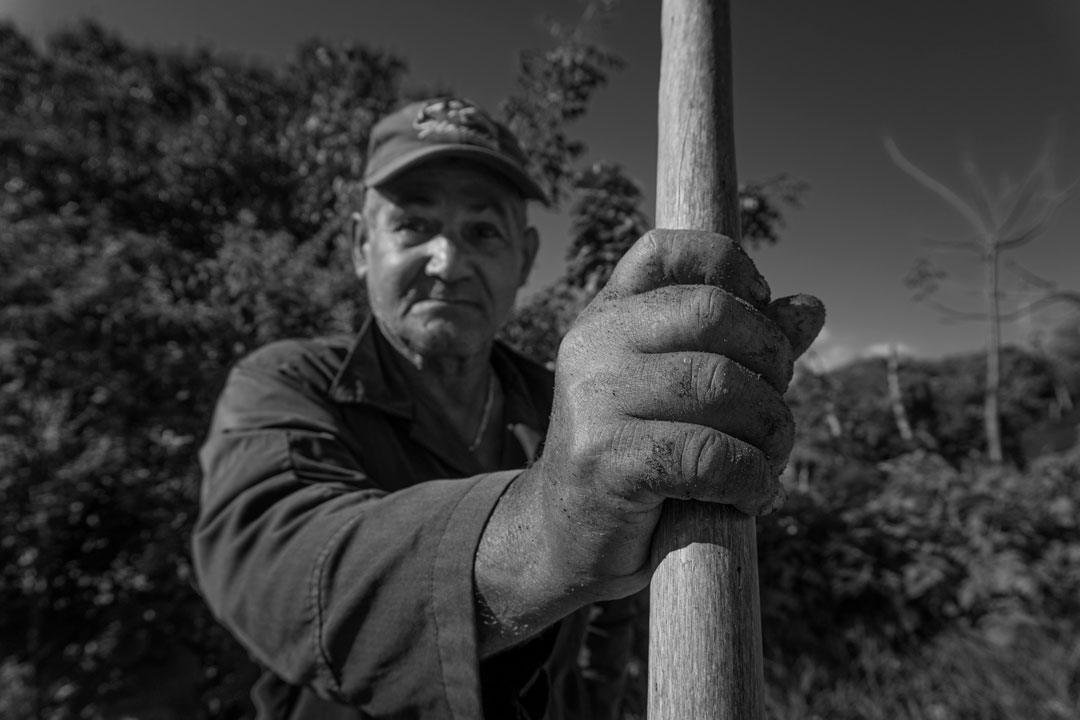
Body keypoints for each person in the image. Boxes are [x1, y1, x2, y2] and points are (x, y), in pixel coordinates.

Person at [193, 96, 824, 720]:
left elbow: (610, 622)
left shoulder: (574, 407)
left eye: (483, 231)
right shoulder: (285, 382)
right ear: (362, 245)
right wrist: (550, 523)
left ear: (523, 257)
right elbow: (277, 568)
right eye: (413, 225)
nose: (449, 263)